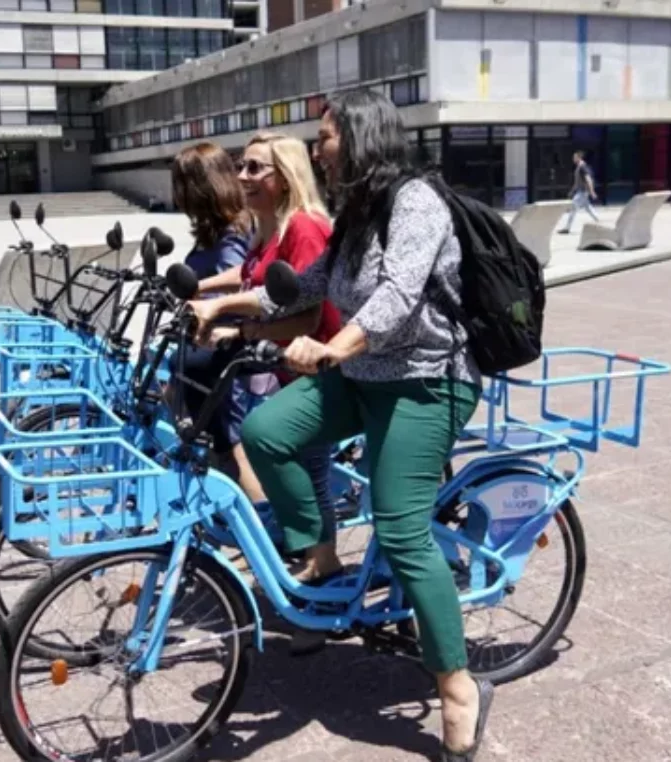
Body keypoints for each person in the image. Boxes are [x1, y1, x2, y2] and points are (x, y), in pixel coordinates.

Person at [189, 91, 494, 761]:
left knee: (401, 525)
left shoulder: (417, 203)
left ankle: (455, 682)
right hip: (364, 378)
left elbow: (397, 296)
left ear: (359, 139)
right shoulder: (356, 211)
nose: (319, 149)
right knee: (267, 431)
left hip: (426, 383)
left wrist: (334, 348)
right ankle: (320, 552)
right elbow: (302, 285)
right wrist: (225, 308)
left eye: (326, 138)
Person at [190, 133, 342, 581]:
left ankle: (323, 567)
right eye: (241, 166)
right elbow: (253, 274)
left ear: (287, 177)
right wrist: (202, 291)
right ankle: (298, 549)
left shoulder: (305, 227)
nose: (241, 176)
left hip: (321, 367)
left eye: (255, 168)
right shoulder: (272, 227)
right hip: (287, 368)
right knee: (274, 452)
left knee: (307, 466)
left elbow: (307, 315)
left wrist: (236, 327)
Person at [169, 142, 254, 474]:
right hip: (206, 341)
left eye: (180, 182)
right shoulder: (213, 229)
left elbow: (239, 277)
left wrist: (200, 292)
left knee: (229, 443)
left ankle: (260, 520)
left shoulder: (232, 232)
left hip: (226, 345)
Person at [559, 150, 598, 234]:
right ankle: (599, 222)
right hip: (581, 192)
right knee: (588, 208)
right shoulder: (579, 167)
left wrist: (592, 192)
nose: (573, 158)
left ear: (579, 158)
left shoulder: (583, 167)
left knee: (573, 207)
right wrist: (572, 191)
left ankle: (567, 228)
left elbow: (588, 180)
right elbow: (577, 182)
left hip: (583, 192)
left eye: (575, 157)